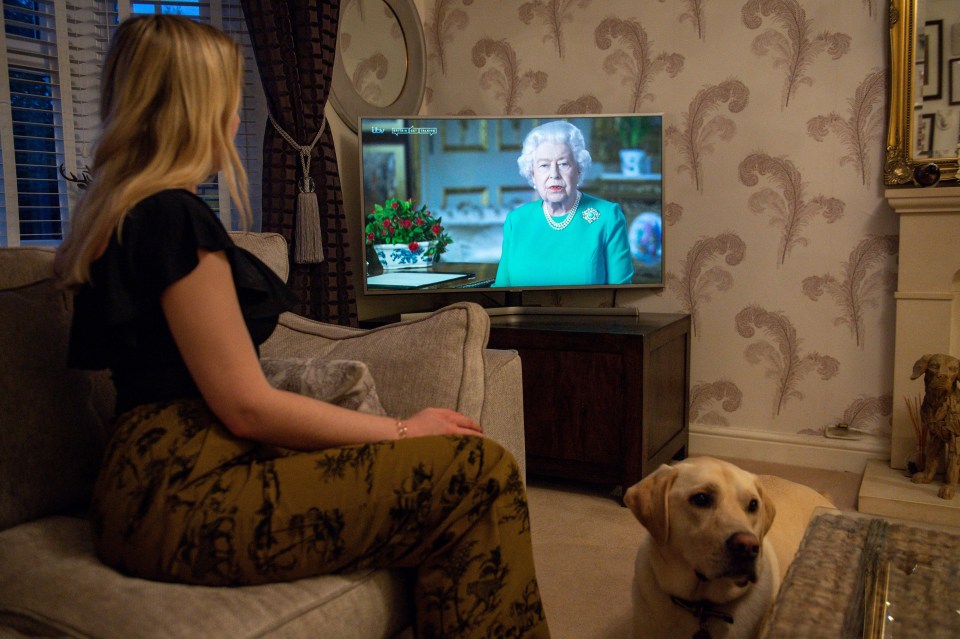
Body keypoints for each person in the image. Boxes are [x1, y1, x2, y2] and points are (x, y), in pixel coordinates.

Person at [55, 15, 549, 639]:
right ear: (196, 110)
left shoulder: (127, 214)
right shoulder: (171, 220)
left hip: (149, 486)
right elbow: (248, 408)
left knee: (465, 477)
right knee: (479, 472)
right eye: (229, 103)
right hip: (183, 496)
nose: (236, 121)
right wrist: (402, 431)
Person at [493, 120, 634, 287]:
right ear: (532, 174)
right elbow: (502, 291)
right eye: (544, 165)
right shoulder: (515, 221)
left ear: (578, 169)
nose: (554, 174)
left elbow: (622, 296)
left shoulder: (608, 217)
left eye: (563, 164)